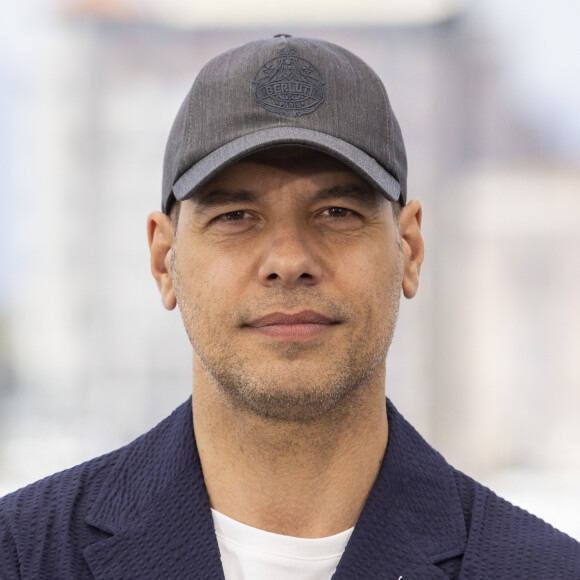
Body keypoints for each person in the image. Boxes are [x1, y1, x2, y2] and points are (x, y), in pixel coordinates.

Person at [0, 35, 578, 580]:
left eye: (336, 212)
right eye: (235, 216)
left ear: (410, 250)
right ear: (163, 260)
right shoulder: (24, 556)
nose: (289, 259)